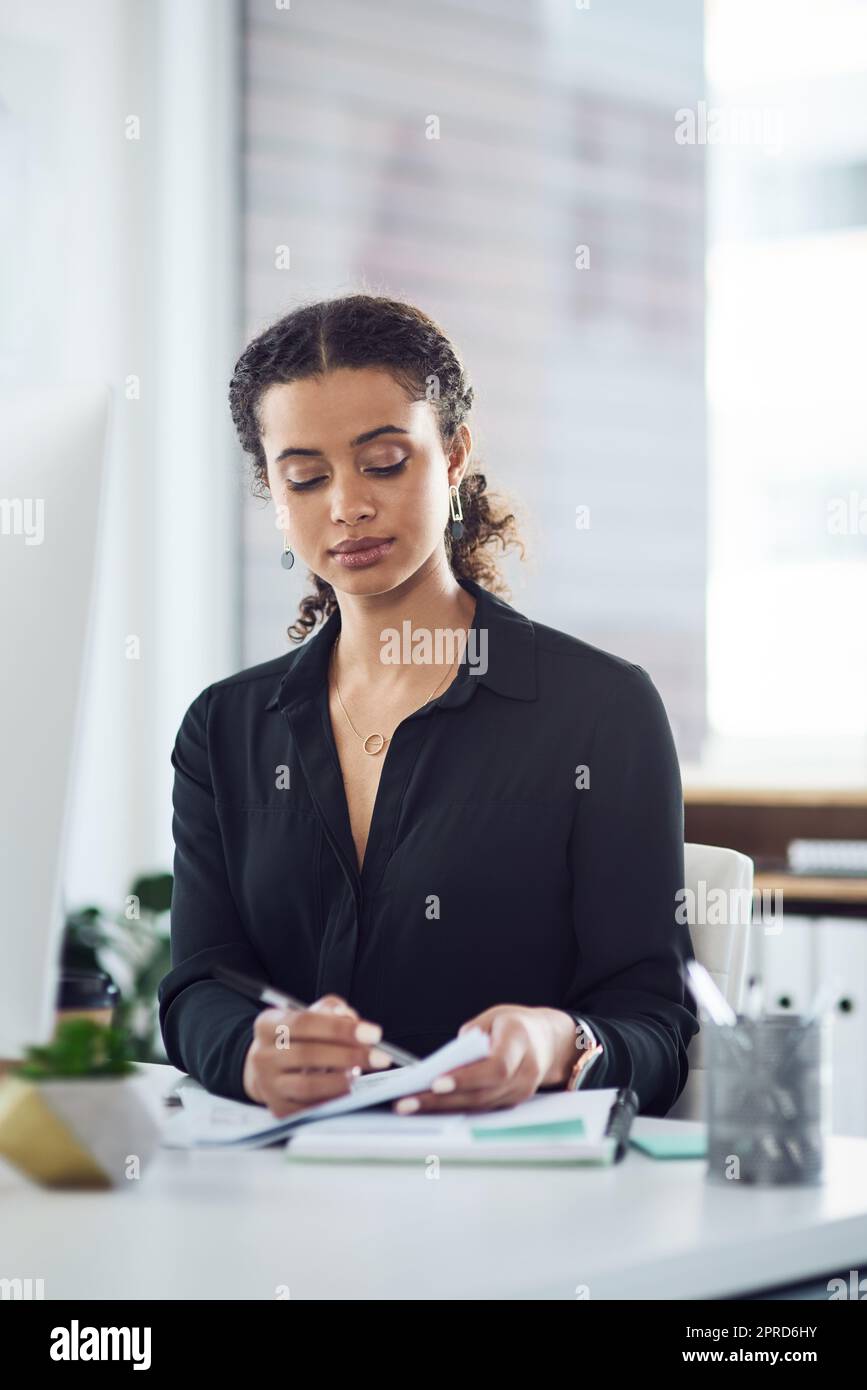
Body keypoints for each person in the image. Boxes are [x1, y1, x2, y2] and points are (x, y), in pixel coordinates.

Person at [157, 292, 699, 1120]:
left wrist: (556, 1041)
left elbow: (654, 1022)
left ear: (452, 457)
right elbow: (200, 982)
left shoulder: (599, 709)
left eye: (382, 462)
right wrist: (252, 1053)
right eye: (304, 477)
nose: (346, 506)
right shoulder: (224, 728)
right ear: (272, 491)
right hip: (281, 1188)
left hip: (518, 1202)